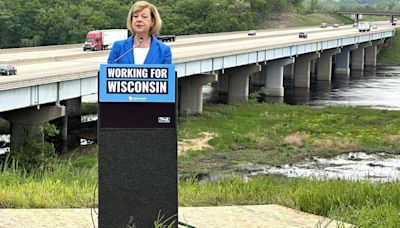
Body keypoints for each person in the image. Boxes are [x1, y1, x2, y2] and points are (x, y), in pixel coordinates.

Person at [107, 1, 172, 64]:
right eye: (135, 16)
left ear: (152, 21)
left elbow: (168, 74)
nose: (139, 20)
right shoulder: (118, 47)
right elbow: (108, 72)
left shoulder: (164, 50)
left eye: (144, 17)